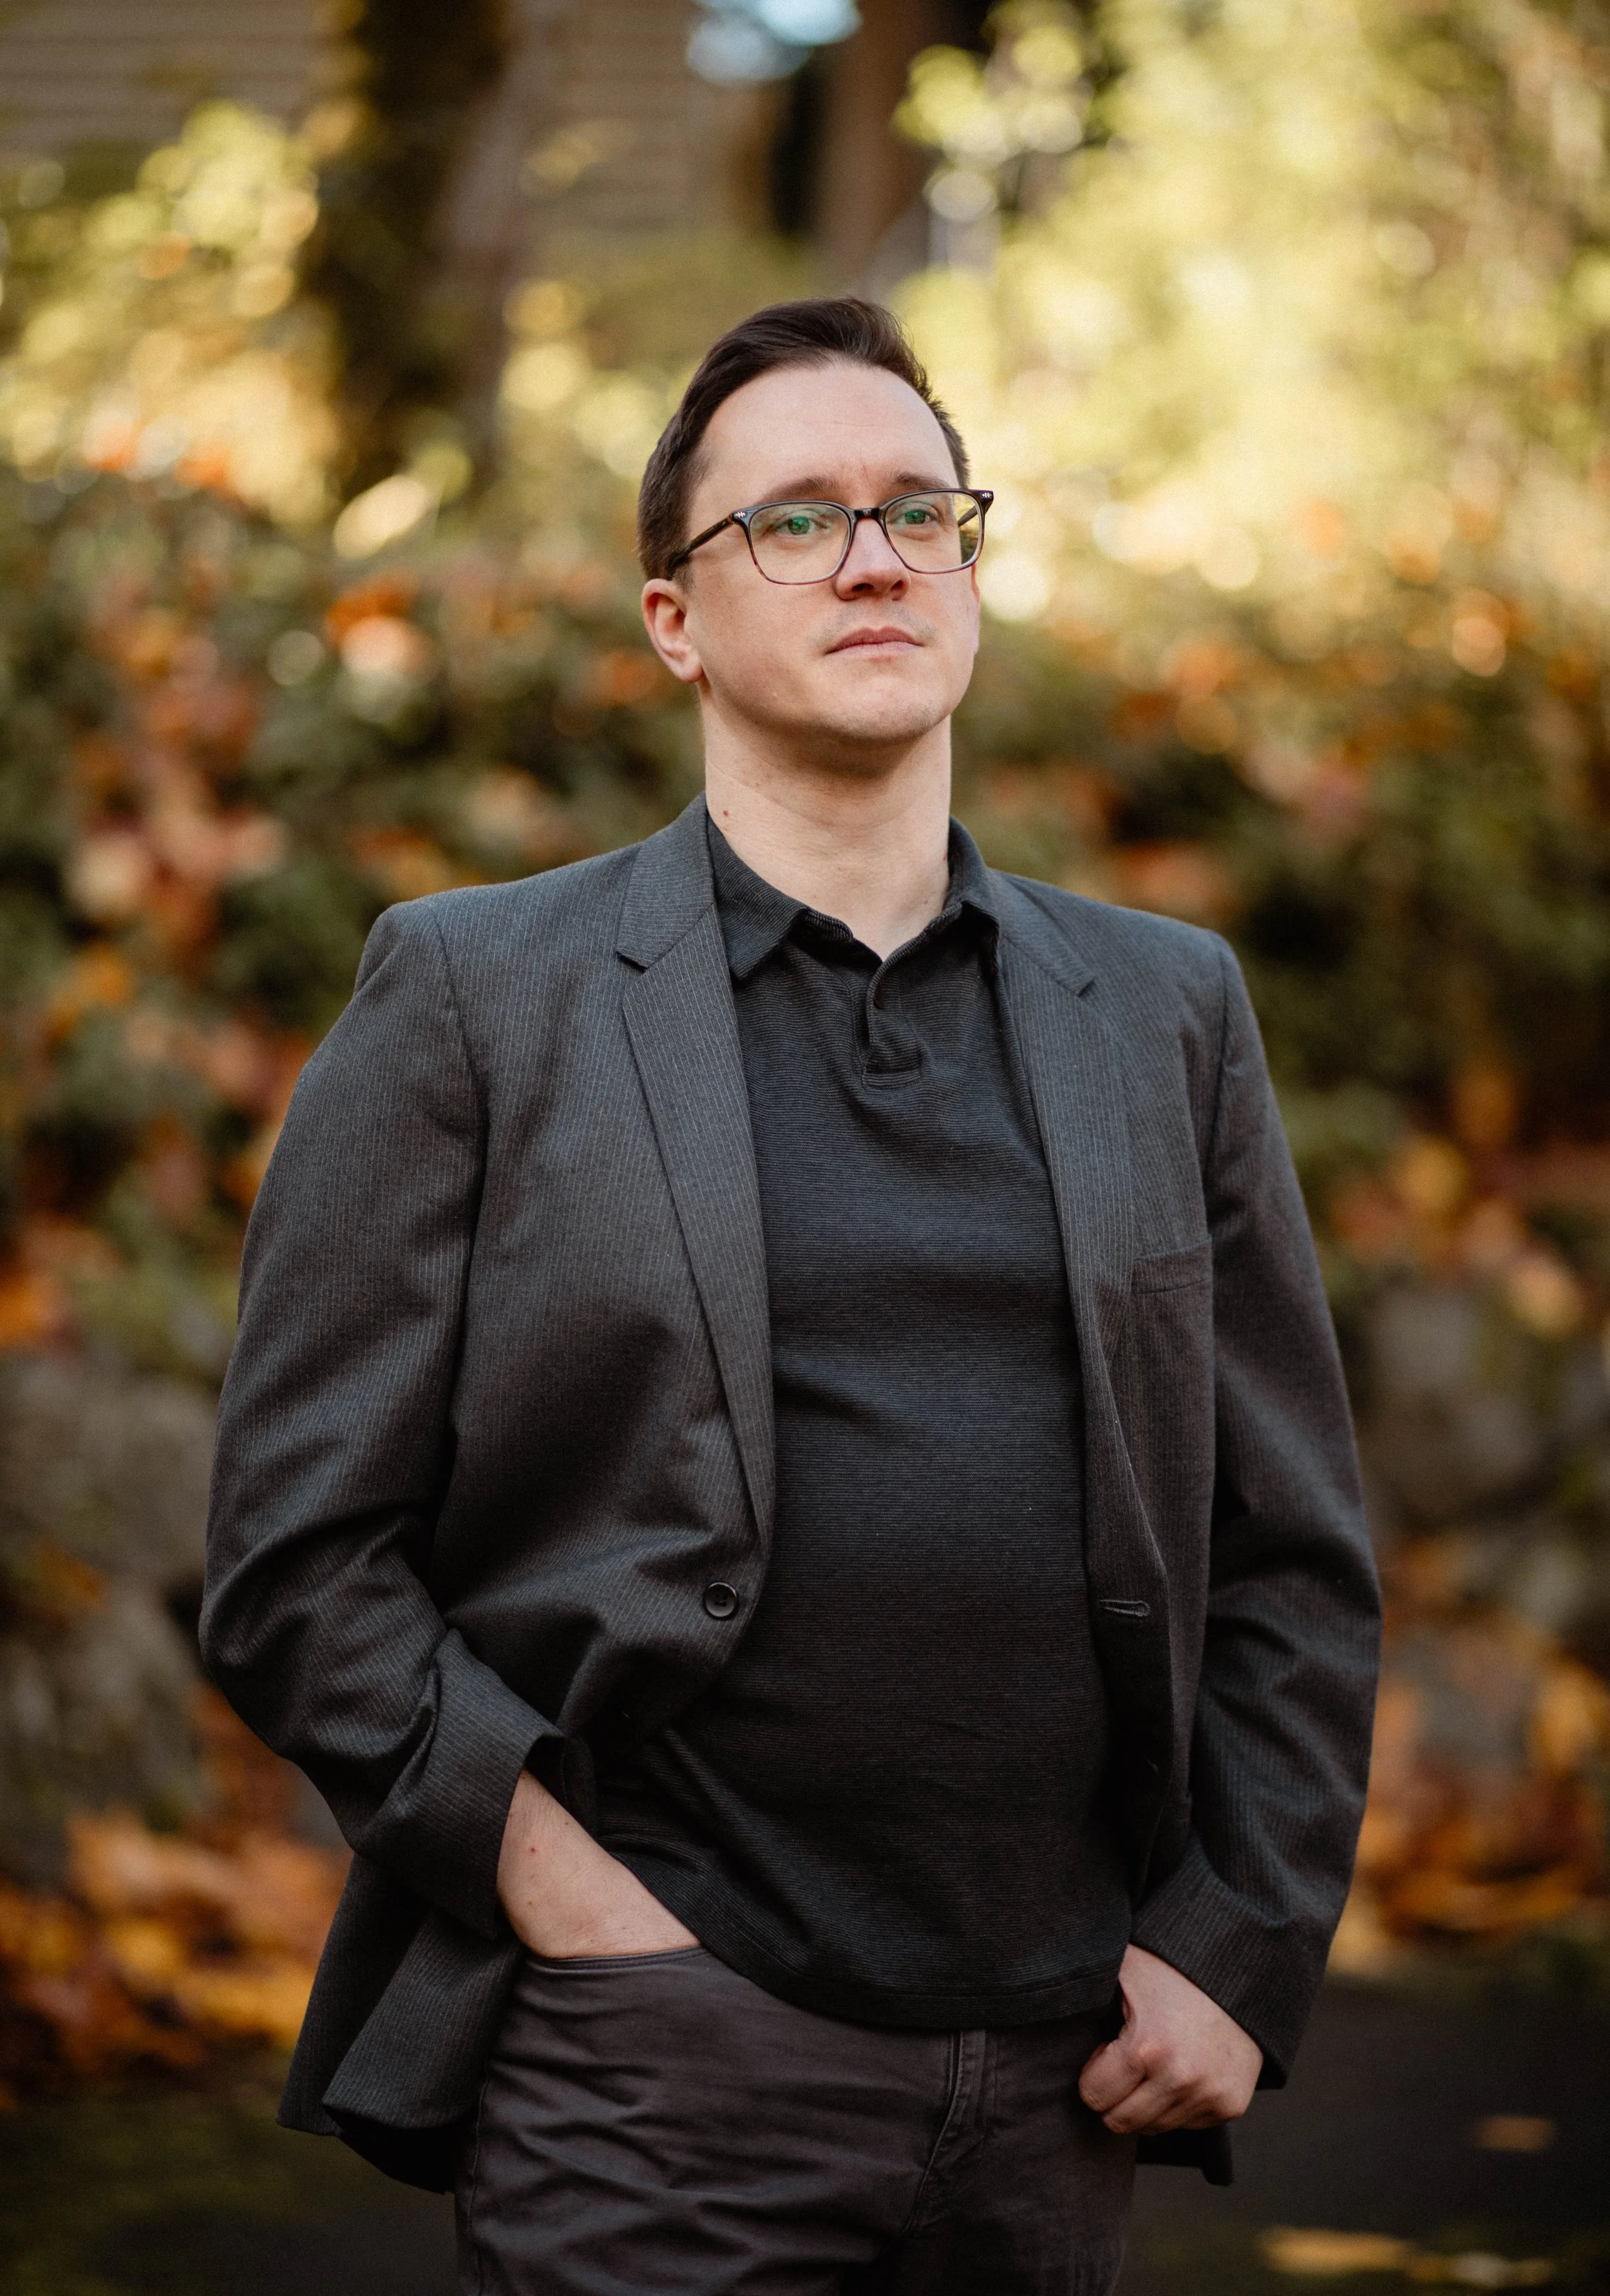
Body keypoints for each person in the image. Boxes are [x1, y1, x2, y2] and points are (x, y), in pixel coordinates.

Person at [202, 297, 1380, 2296]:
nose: (870, 555)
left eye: (922, 511)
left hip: (1061, 2070)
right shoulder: (480, 996)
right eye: (796, 519)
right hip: (654, 2067)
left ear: (971, 574)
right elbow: (297, 1555)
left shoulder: (1165, 1010)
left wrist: (1233, 1946)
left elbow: (1287, 1546)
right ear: (672, 619)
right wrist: (572, 1905)